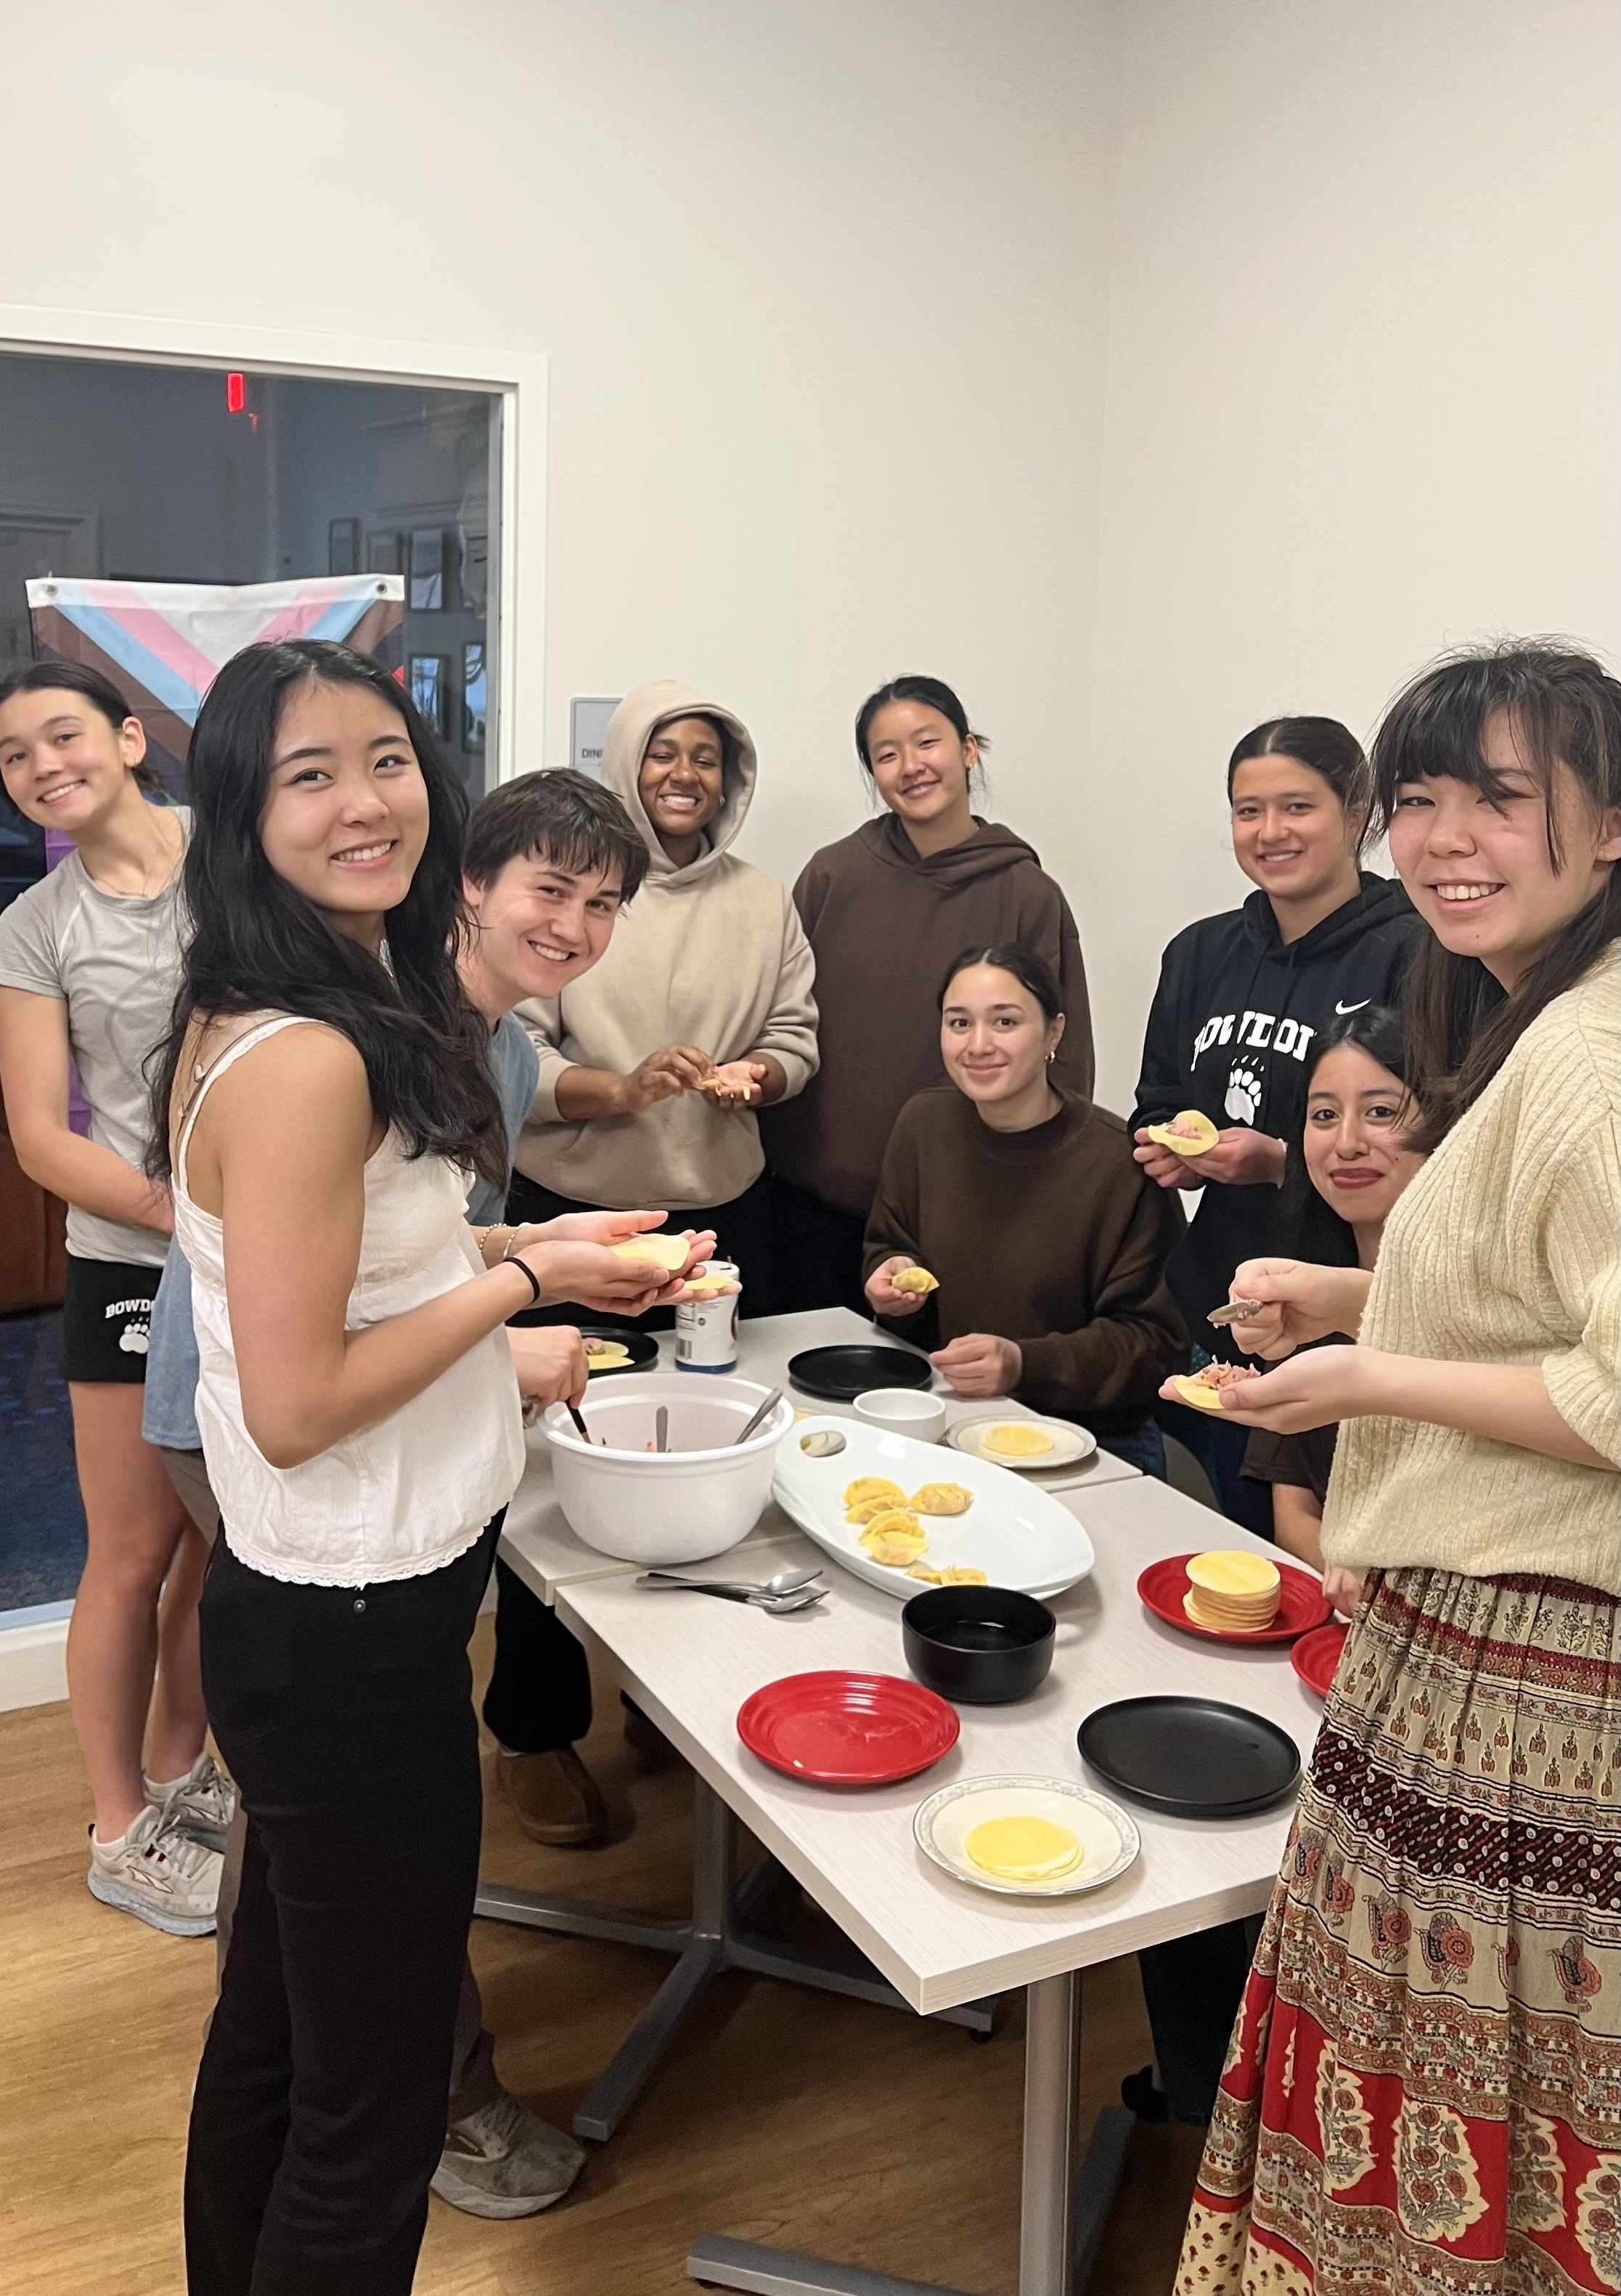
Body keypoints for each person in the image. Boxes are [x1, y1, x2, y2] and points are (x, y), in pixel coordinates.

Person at [155, 639, 705, 2295]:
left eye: (385, 756)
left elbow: (355, 1261)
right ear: (242, 810)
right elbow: (302, 1395)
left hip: (314, 1609)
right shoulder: (313, 1053)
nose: (363, 797)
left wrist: (518, 1238)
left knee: (273, 2033)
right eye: (308, 771)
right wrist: (525, 1283)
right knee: (372, 2105)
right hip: (350, 1630)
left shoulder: (289, 1007)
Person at [1172, 641, 1620, 2296]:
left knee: (1440, 2097)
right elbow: (1543, 1301)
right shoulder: (1538, 1015)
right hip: (1468, 1640)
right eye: (1420, 795)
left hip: (1528, 1674)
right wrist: (1358, 1293)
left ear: (1613, 821)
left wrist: (1365, 1373)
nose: (1445, 835)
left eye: (1501, 795)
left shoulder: (1587, 1051)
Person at [0, 660, 228, 1935]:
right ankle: (118, 1827)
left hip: (263, 1253)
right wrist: (184, 1213)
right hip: (136, 1262)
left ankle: (181, 1765)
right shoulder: (33, 926)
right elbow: (41, 1134)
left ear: (132, 738)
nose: (40, 763)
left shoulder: (235, 854)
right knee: (134, 1550)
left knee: (215, 1539)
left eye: (63, 734)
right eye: (15, 753)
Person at [1130, 715, 1422, 1533]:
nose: (1269, 832)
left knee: (1322, 1547)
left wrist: (1281, 1162)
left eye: (1296, 807)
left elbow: (1433, 1141)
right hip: (1221, 1300)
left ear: (1358, 811)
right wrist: (1169, 1149)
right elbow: (1156, 1099)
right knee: (1229, 1540)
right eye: (1245, 811)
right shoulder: (1199, 953)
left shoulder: (1413, 951)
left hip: (1353, 1306)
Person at [765, 675, 1093, 1314]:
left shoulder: (1027, 893)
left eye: (927, 743)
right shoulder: (833, 875)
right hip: (815, 1208)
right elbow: (782, 1018)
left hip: (965, 1212)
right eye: (886, 755)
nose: (910, 767)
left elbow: (1064, 1052)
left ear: (968, 750)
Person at [509, 681, 817, 1313]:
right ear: (625, 764)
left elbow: (794, 1038)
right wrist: (624, 1090)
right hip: (572, 1209)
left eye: (705, 760)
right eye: (663, 754)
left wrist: (754, 1077)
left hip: (726, 1207)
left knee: (723, 1392)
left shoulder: (765, 901)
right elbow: (515, 1054)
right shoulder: (572, 894)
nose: (684, 774)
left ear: (729, 781)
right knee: (570, 1396)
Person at [863, 943, 1184, 1474]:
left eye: (1005, 1021)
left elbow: (1155, 1343)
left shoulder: (1118, 1163)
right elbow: (890, 1242)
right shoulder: (924, 1124)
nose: (978, 1045)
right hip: (950, 1415)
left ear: (1053, 1033)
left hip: (1089, 1437)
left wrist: (1022, 1364)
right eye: (958, 1023)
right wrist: (889, 1275)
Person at [1240, 1006, 1425, 1567]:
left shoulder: (1477, 1296)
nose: (1346, 1143)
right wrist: (1341, 1566)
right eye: (1323, 1115)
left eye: (1380, 1112)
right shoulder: (1304, 1286)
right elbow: (1292, 1512)